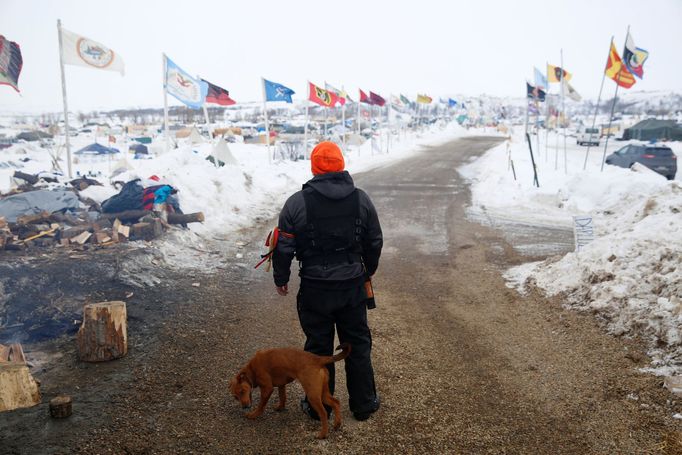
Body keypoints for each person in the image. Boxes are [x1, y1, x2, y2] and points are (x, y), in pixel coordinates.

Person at [272, 141, 382, 421]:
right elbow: (374, 240)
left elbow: (283, 245)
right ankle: (364, 404)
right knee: (356, 344)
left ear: (314, 167)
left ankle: (317, 406)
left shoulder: (296, 203)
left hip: (315, 288)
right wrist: (366, 269)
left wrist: (281, 278)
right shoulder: (361, 199)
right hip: (352, 286)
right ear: (341, 164)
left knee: (318, 349)